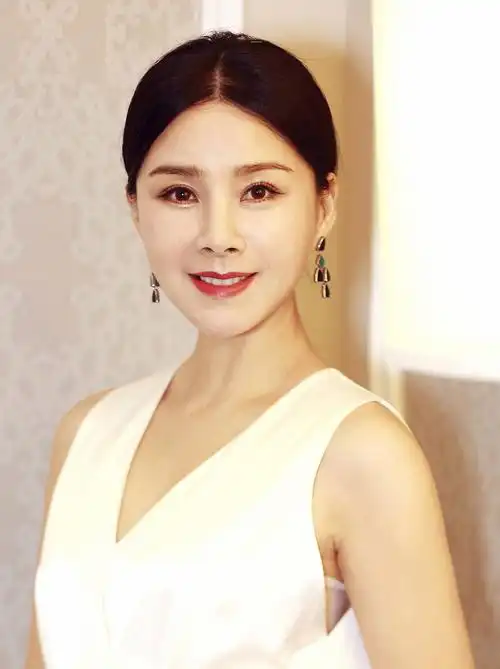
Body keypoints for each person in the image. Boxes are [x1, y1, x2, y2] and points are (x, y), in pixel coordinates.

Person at [25, 31, 475, 669]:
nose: (218, 236)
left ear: (324, 205)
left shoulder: (362, 454)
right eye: (180, 193)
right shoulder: (86, 433)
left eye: (259, 191)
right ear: (135, 209)